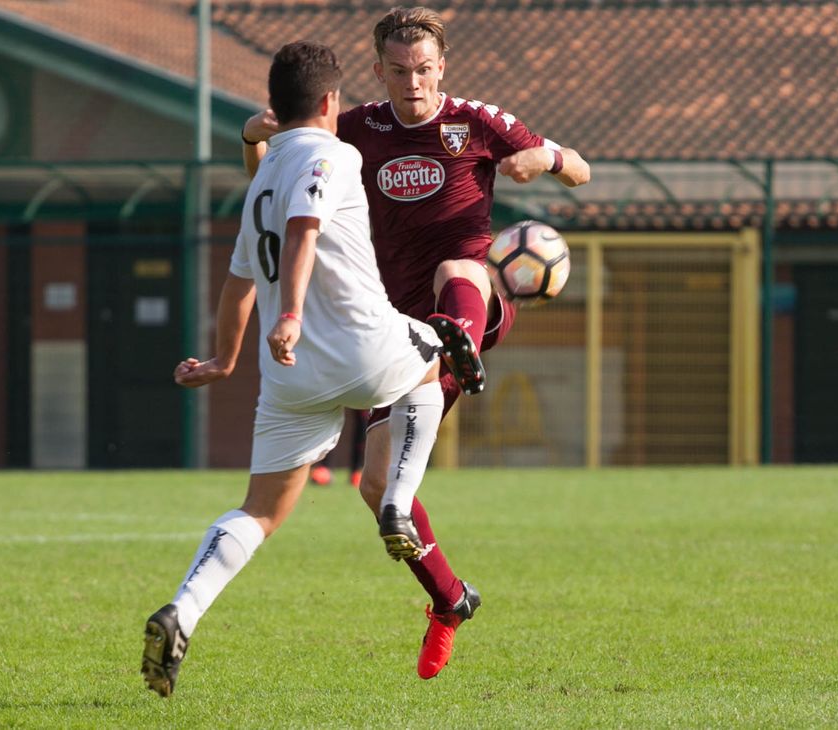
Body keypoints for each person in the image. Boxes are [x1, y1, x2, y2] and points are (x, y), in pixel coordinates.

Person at [241, 6, 591, 680]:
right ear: (378, 71)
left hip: (469, 306)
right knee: (376, 488)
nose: (414, 82)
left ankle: (459, 342)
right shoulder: (354, 129)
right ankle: (450, 600)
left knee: (459, 266)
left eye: (425, 69)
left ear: (442, 67)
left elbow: (581, 170)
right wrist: (254, 137)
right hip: (392, 335)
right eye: (400, 71)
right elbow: (268, 177)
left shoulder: (477, 122)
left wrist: (546, 157)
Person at [140, 40, 480, 698]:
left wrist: (224, 359)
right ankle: (397, 502)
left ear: (277, 105)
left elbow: (239, 281)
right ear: (330, 101)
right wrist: (292, 313)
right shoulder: (336, 154)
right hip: (359, 344)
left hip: (290, 377)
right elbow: (304, 227)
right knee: (440, 349)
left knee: (260, 510)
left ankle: (182, 610)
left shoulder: (262, 177)